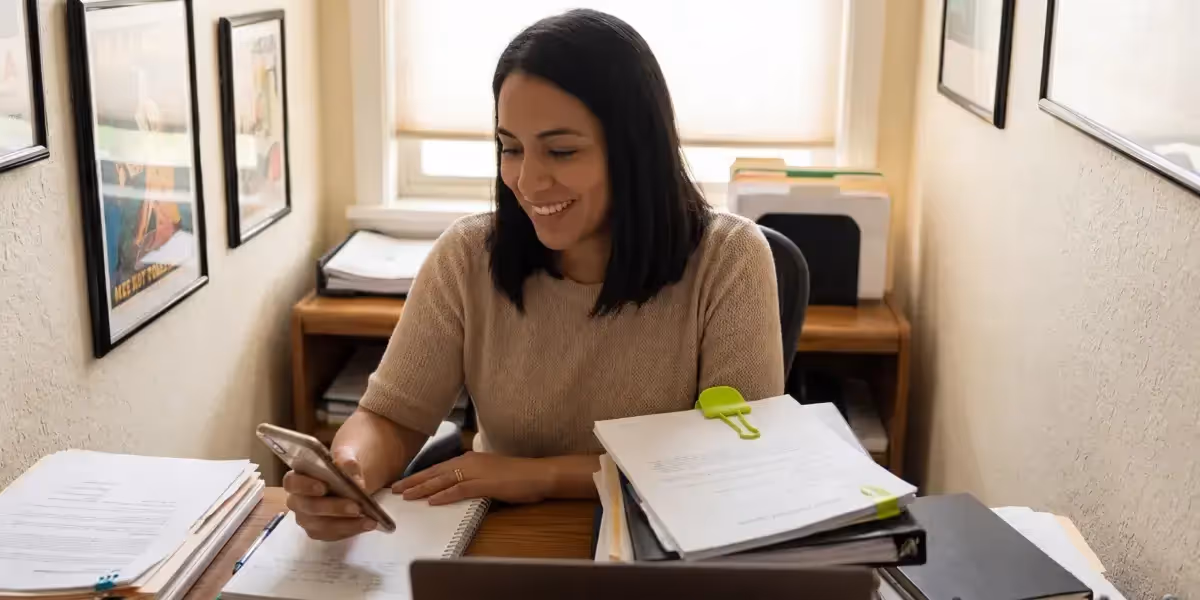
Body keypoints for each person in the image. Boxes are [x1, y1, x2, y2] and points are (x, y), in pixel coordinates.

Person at [285, 9, 785, 541]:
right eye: (511, 148)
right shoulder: (466, 255)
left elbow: (733, 457)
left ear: (635, 151)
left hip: (665, 547)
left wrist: (539, 475)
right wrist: (348, 466)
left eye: (562, 151)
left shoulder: (730, 259)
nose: (527, 181)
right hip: (505, 539)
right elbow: (393, 419)